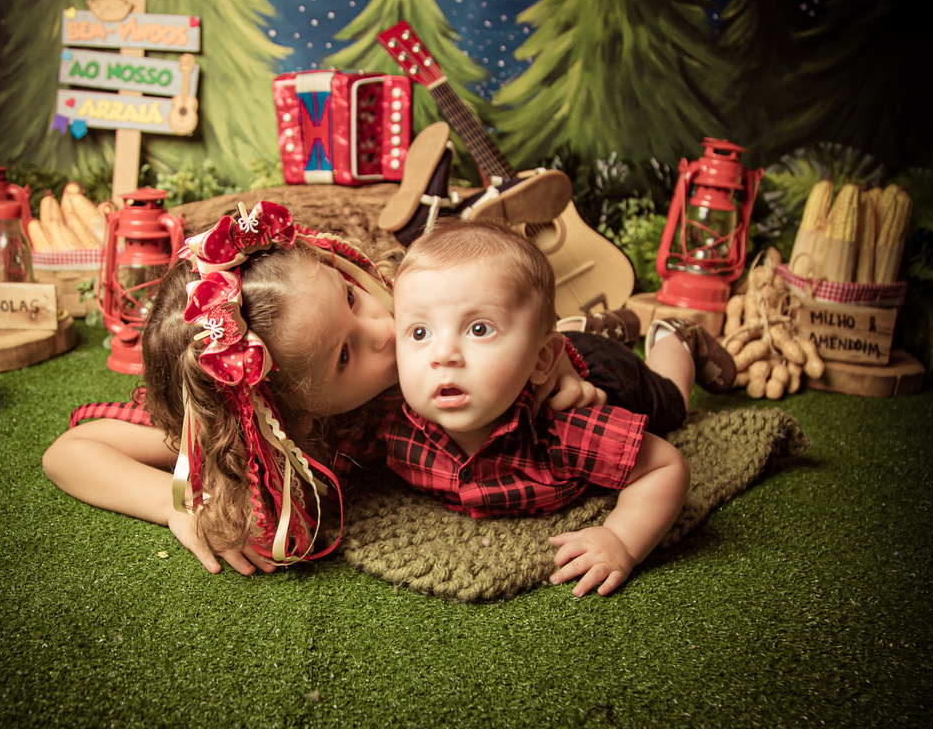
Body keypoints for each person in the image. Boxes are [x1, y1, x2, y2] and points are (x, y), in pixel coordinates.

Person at [42, 200, 731, 576]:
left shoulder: (464, 355)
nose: (388, 324)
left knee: (668, 402)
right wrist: (173, 508)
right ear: (290, 415)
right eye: (348, 352)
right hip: (510, 346)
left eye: (352, 292)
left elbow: (470, 294)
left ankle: (674, 338)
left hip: (578, 371)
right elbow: (69, 452)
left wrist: (556, 366)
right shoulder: (289, 424)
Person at [381, 220, 690, 596]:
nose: (443, 354)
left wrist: (620, 539)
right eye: (419, 333)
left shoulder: (565, 429)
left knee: (673, 405)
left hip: (604, 374)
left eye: (479, 329)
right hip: (547, 344)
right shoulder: (391, 426)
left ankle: (677, 338)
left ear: (543, 360)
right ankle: (598, 324)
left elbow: (664, 465)